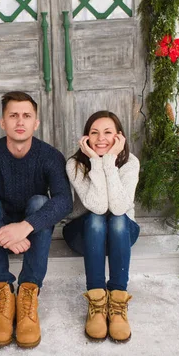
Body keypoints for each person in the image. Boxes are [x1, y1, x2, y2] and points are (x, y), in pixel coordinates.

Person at [0, 91, 72, 348]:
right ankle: (3, 292)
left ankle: (29, 290)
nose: (20, 121)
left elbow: (64, 200)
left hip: (31, 222)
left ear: (36, 123)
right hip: (1, 220)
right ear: (3, 122)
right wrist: (2, 233)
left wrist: (25, 227)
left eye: (27, 116)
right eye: (13, 115)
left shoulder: (50, 156)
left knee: (42, 202)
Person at [62, 110, 140, 342]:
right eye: (94, 133)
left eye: (108, 132)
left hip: (121, 233)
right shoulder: (75, 164)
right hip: (84, 235)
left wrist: (109, 163)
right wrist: (96, 162)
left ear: (119, 137)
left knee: (116, 218)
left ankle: (117, 302)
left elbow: (118, 208)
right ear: (86, 138)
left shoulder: (130, 163)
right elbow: (96, 206)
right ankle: (96, 302)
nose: (100, 138)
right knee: (97, 218)